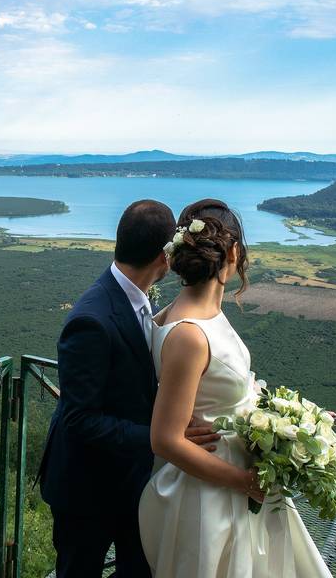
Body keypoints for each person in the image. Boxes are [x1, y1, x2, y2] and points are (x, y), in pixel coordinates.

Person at [139, 198, 333, 577]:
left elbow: (225, 391)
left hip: (231, 485)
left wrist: (298, 420)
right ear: (234, 252)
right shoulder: (191, 334)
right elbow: (165, 439)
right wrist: (245, 481)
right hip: (209, 499)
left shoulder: (189, 312)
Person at [38, 199, 222, 578]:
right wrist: (163, 438)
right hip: (85, 488)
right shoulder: (91, 319)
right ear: (164, 257)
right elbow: (80, 420)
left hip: (135, 480)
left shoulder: (138, 298)